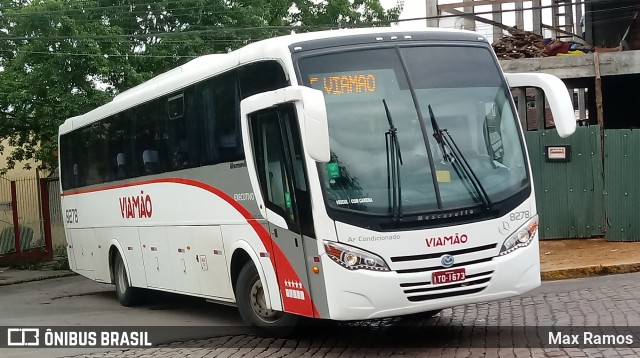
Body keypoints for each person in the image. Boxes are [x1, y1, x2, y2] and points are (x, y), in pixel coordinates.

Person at [541, 38, 623, 56]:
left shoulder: (545, 46)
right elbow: (557, 43)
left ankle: (615, 49)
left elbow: (557, 42)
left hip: (571, 47)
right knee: (593, 50)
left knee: (593, 49)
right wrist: (554, 41)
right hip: (571, 50)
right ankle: (615, 49)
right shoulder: (544, 49)